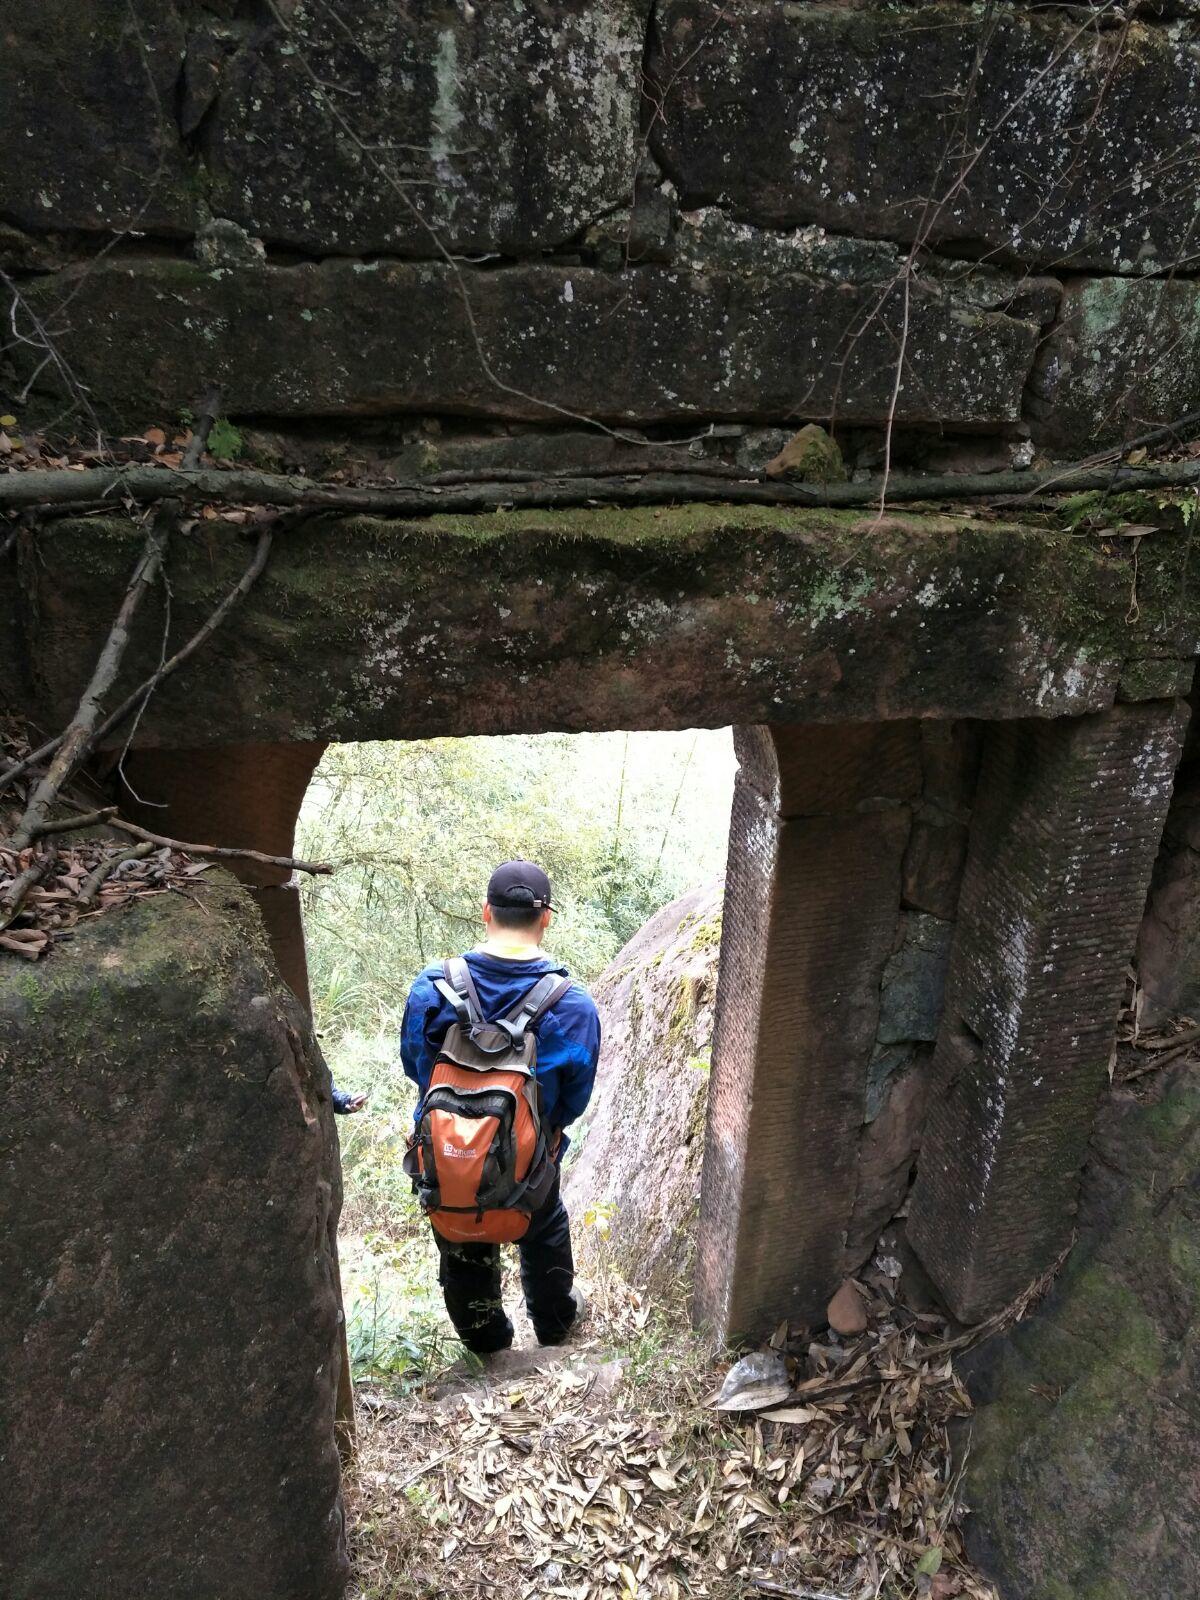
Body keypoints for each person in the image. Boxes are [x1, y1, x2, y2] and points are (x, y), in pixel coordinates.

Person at [400, 860, 601, 1354]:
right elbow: (574, 1098)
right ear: (545, 918)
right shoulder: (572, 1005)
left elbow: (416, 1068)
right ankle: (554, 1329)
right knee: (544, 1221)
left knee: (462, 1226)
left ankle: (487, 1344)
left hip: (448, 1157)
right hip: (532, 1160)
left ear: (486, 912)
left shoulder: (432, 987)